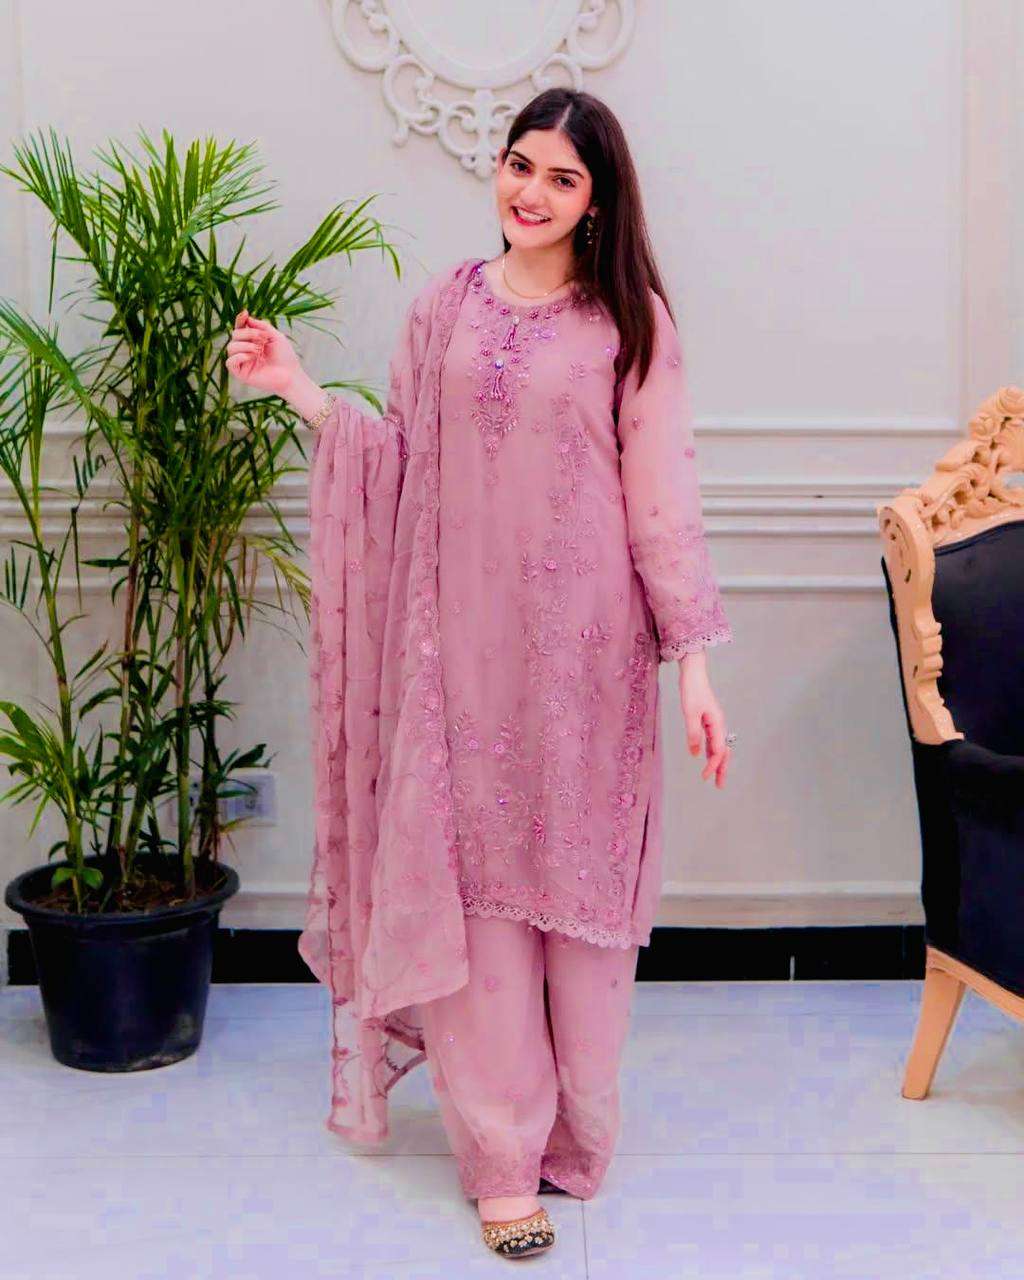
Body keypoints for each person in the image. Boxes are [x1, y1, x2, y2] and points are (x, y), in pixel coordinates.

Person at [226, 86, 735, 1261]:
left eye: (561, 177)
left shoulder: (628, 323)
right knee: (478, 901)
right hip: (457, 655)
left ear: (597, 200)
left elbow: (662, 501)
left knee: (580, 906)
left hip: (589, 660)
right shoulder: (444, 307)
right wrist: (300, 388)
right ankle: (500, 1158)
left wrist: (695, 668)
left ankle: (574, 1135)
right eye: (519, 165)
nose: (530, 192)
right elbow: (400, 461)